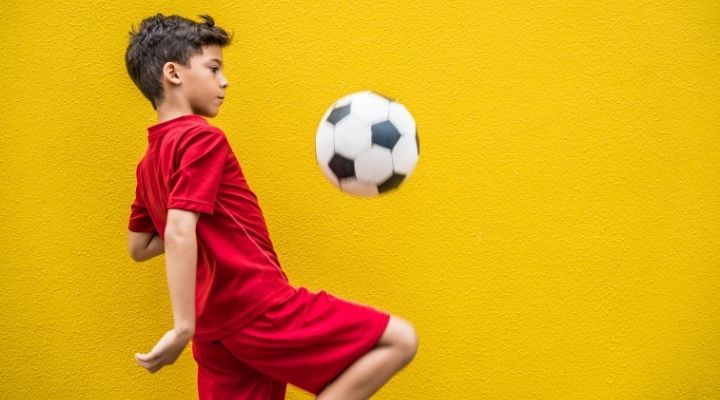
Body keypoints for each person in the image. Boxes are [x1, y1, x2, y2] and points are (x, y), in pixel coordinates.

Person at [124, 13, 418, 399]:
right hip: (256, 305)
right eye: (213, 68)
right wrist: (182, 327)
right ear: (173, 73)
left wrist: (197, 224)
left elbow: (141, 245)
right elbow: (179, 230)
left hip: (217, 333)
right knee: (399, 340)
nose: (224, 81)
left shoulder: (149, 162)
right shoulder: (201, 139)